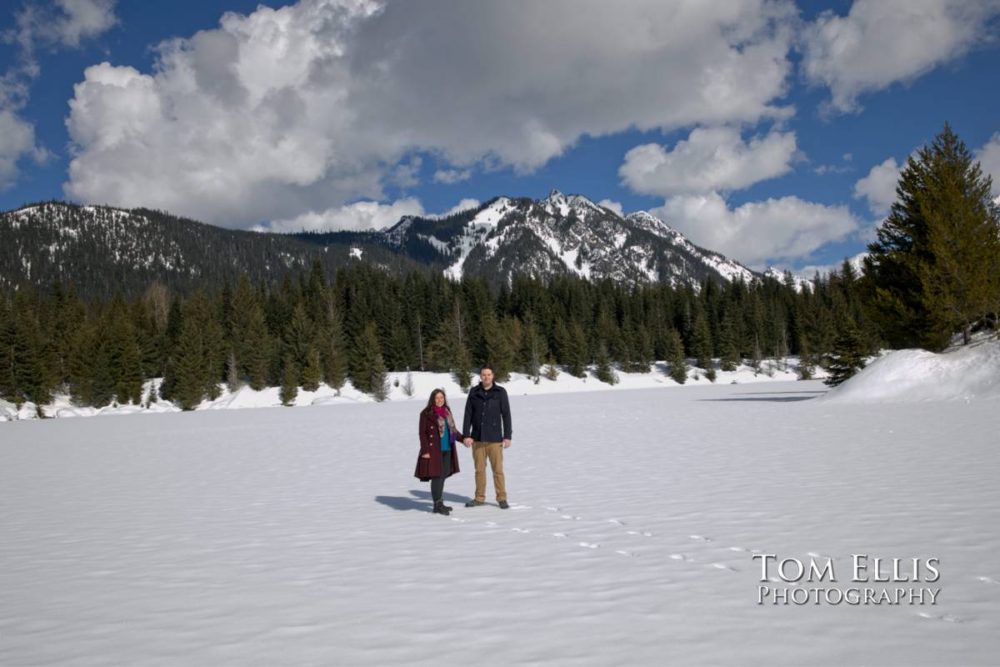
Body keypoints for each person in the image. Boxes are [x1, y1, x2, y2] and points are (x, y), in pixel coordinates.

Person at [462, 365, 513, 509]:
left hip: (495, 439)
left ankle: (501, 498)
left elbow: (506, 415)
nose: (486, 377)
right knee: (479, 471)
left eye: (489, 374)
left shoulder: (500, 392)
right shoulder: (474, 392)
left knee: (498, 470)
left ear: (493, 376)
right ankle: (479, 498)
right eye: (484, 375)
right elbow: (468, 415)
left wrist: (507, 436)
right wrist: (466, 435)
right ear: (480, 376)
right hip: (477, 438)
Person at [415, 389, 463, 515]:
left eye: (441, 397)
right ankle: (437, 504)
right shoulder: (426, 414)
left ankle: (439, 502)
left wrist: (463, 439)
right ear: (432, 399)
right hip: (433, 450)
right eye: (437, 398)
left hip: (447, 448)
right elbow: (422, 433)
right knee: (437, 476)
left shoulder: (447, 412)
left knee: (444, 474)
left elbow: (453, 431)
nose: (439, 400)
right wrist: (425, 450)